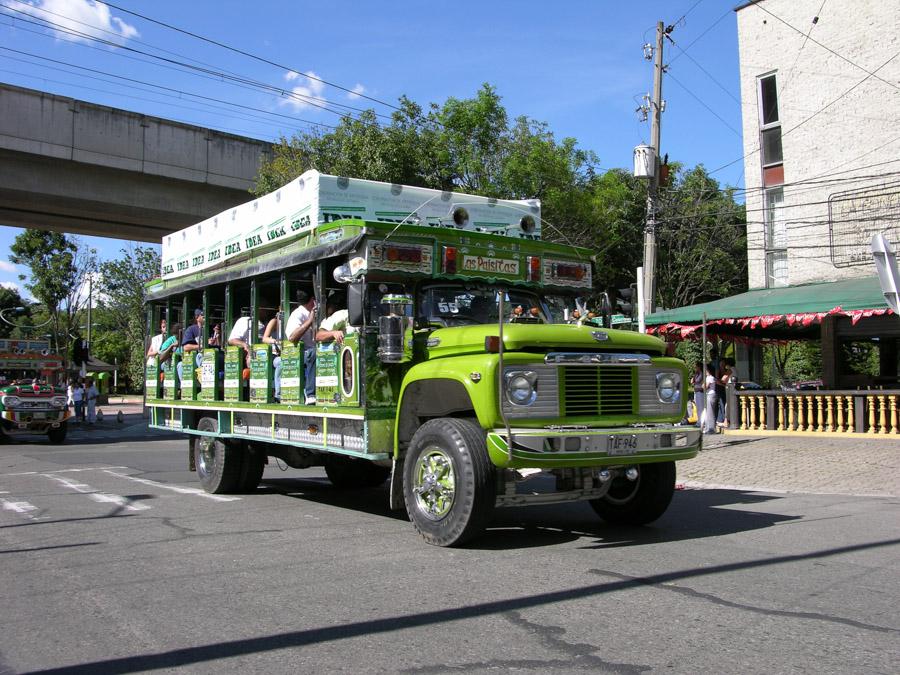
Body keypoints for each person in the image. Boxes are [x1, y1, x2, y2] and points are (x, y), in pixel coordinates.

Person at [268, 290, 317, 404]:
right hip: (298, 354)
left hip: (313, 351)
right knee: (314, 353)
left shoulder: (317, 312)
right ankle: (310, 394)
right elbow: (292, 338)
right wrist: (309, 321)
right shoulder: (298, 314)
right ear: (313, 300)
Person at [179, 309, 204, 384]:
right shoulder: (191, 329)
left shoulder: (212, 329)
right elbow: (186, 347)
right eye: (203, 315)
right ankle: (184, 388)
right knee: (180, 365)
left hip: (212, 356)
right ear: (197, 317)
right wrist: (202, 346)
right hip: (196, 358)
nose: (205, 317)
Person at [703, 364, 718, 435]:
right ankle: (708, 427)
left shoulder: (711, 377)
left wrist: (704, 385)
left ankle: (711, 428)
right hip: (708, 394)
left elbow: (705, 386)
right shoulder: (707, 377)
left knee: (710, 412)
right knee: (707, 412)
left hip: (711, 395)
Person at [691, 363, 704, 428]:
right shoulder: (697, 373)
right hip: (696, 391)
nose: (695, 368)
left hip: (700, 391)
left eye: (696, 367)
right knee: (698, 407)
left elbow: (697, 380)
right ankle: (699, 421)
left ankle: (700, 422)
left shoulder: (701, 373)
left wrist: (694, 380)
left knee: (700, 408)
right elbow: (692, 381)